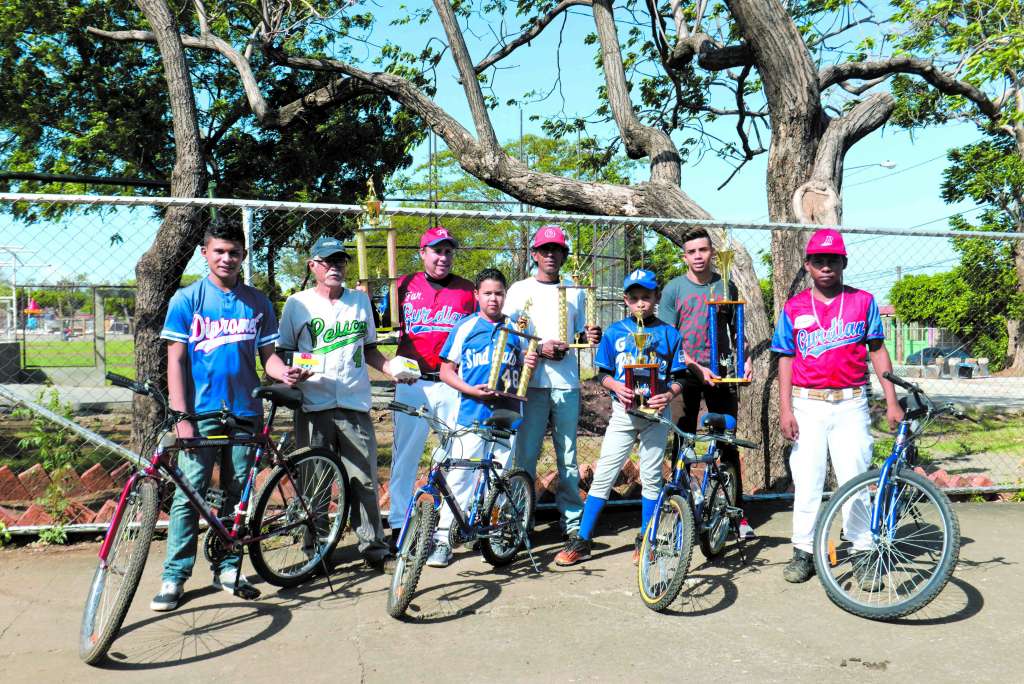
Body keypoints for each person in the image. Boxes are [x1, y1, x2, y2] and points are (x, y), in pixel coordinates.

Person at [151, 216, 301, 612]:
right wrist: (181, 415)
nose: (227, 258)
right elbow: (176, 360)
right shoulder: (187, 300)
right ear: (205, 254)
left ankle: (229, 568)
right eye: (219, 251)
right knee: (191, 493)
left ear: (243, 255)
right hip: (200, 415)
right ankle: (175, 575)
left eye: (234, 252)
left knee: (237, 495)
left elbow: (267, 358)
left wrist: (283, 372)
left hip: (245, 411)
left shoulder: (258, 302)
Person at [770, 228, 903, 584]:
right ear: (808, 265)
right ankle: (803, 550)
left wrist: (892, 401)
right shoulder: (795, 306)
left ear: (843, 263)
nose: (825, 266)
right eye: (818, 261)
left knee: (855, 479)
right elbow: (785, 358)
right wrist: (785, 409)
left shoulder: (863, 301)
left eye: (832, 260)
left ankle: (861, 550)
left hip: (851, 402)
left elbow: (877, 350)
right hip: (807, 402)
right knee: (808, 479)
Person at [277, 236, 403, 574]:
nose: (335, 267)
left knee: (363, 479)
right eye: (327, 261)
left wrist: (391, 368)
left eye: (341, 261)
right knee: (315, 482)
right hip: (313, 403)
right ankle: (316, 551)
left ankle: (373, 548)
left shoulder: (360, 302)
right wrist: (294, 369)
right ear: (313, 266)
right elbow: (284, 351)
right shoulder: (296, 304)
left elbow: (370, 349)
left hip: (353, 403)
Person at [554, 269, 686, 566]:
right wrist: (615, 385)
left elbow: (680, 377)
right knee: (603, 476)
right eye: (635, 298)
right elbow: (602, 372)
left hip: (655, 414)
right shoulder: (615, 332)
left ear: (656, 298)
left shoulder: (668, 333)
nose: (641, 303)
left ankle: (647, 538)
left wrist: (669, 394)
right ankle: (583, 540)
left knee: (652, 478)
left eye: (647, 297)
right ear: (626, 300)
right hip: (623, 414)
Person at [429, 268, 538, 567]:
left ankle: (489, 534)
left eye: (499, 293)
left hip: (507, 414)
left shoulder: (517, 328)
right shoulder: (465, 327)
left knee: (499, 478)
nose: (494, 298)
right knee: (460, 476)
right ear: (477, 295)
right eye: (487, 293)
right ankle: (443, 539)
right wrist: (471, 391)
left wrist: (532, 360)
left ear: (505, 296)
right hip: (471, 413)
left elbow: (527, 370)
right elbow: (446, 371)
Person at [503, 225, 601, 550]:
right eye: (544, 249)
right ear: (534, 254)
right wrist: (538, 347)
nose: (550, 255)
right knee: (525, 455)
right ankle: (519, 523)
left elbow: (580, 335)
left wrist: (589, 338)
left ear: (563, 255)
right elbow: (514, 332)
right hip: (532, 383)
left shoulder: (575, 291)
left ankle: (572, 523)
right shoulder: (520, 291)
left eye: (556, 250)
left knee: (568, 456)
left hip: (566, 384)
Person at [658, 227, 755, 539]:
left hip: (721, 373)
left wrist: (745, 358)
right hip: (684, 374)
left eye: (703, 250)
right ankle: (679, 510)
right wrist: (693, 366)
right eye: (692, 252)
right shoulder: (674, 290)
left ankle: (733, 513)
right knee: (682, 440)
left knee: (726, 440)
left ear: (712, 252)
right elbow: (667, 339)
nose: (698, 256)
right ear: (684, 255)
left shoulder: (726, 285)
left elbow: (736, 329)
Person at [388, 227, 476, 545]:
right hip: (412, 381)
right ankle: (398, 522)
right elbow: (380, 320)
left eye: (448, 251)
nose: (443, 257)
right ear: (423, 253)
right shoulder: (402, 285)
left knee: (458, 453)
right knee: (405, 457)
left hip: (452, 383)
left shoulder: (468, 291)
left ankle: (447, 525)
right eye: (436, 250)